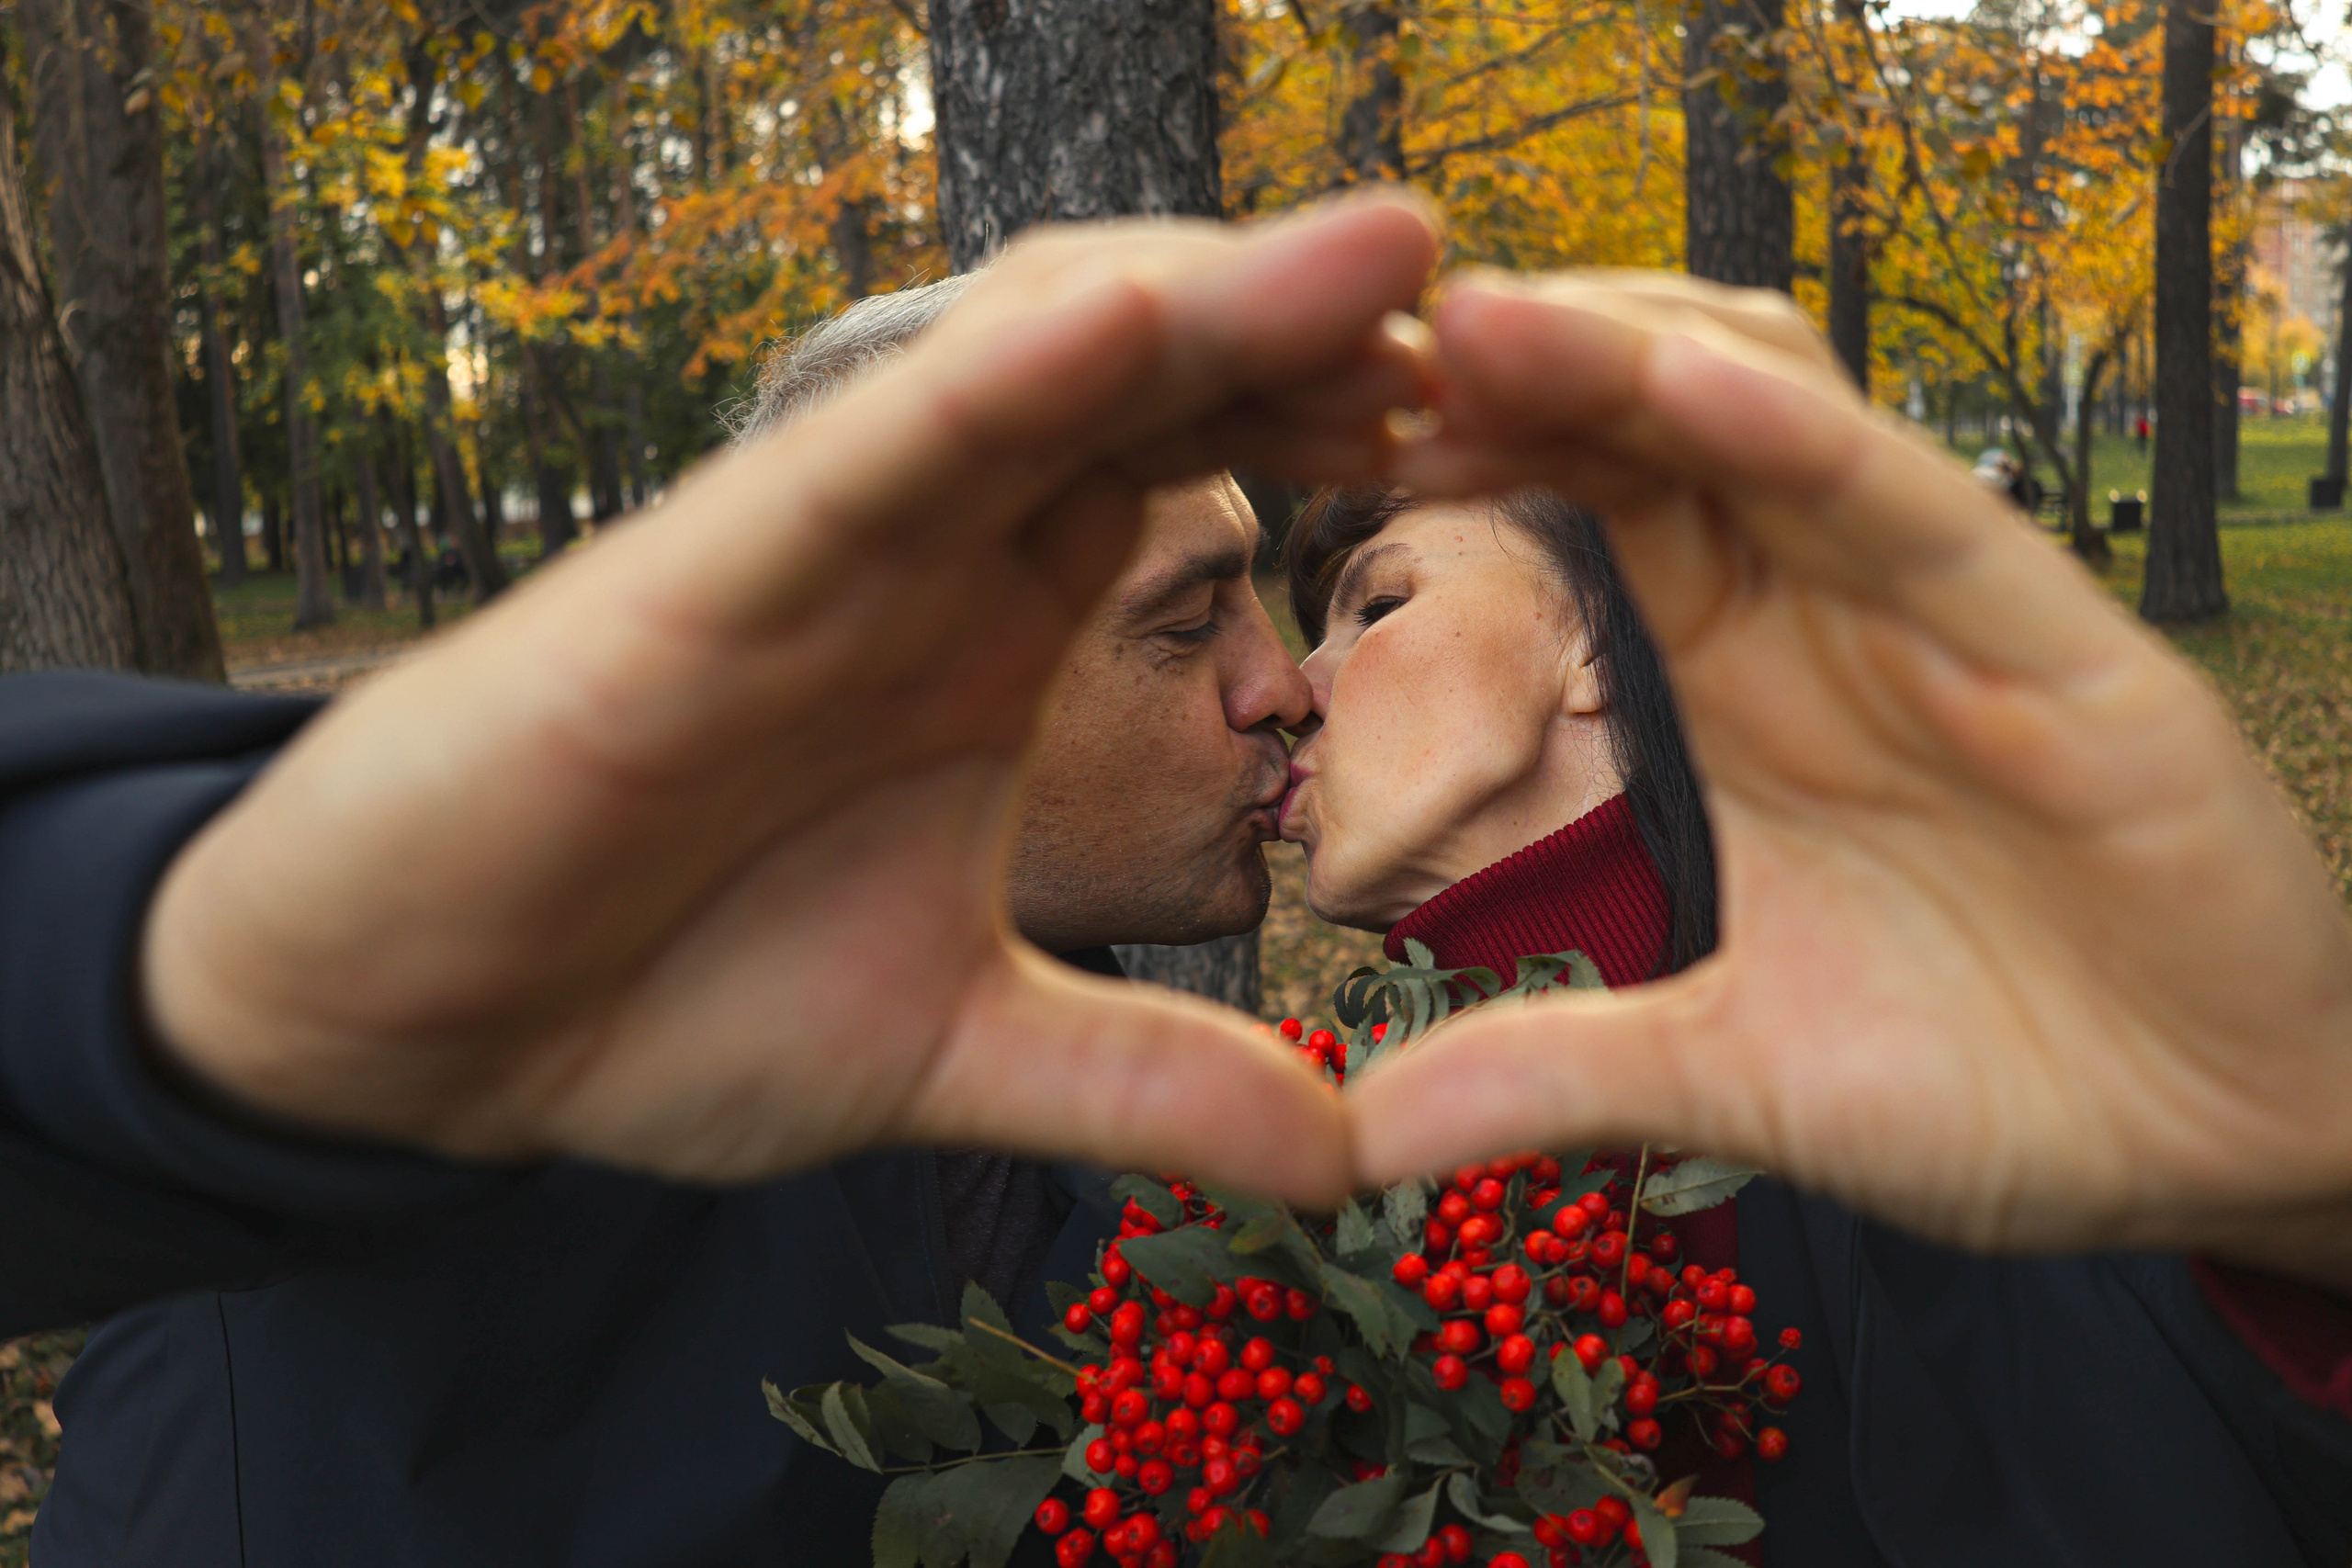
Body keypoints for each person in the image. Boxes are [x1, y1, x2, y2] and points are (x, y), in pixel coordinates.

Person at [3, 202, 1439, 1565]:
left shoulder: (1121, 1121)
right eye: (1186, 623)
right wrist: (178, 953)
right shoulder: (556, 985)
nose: (1283, 685)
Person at [1280, 480, 2352, 1563]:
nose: (1289, 689)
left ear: (1601, 636)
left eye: (1378, 608)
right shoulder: (1360, 1258)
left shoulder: (1998, 1034)